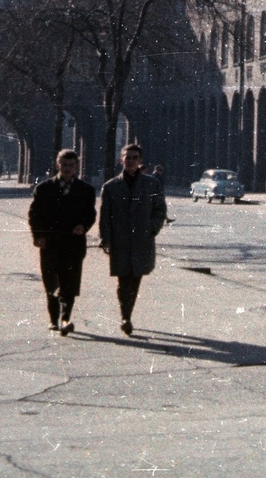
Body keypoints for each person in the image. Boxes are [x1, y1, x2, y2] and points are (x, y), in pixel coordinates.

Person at [98, 143, 166, 336]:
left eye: (135, 158)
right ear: (121, 160)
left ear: (140, 161)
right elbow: (105, 216)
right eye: (127, 157)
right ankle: (125, 316)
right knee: (122, 280)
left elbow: (160, 210)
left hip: (141, 240)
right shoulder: (111, 187)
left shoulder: (151, 184)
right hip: (120, 241)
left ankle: (127, 314)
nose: (130, 161)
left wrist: (152, 229)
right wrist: (106, 239)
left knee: (135, 278)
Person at [28, 149, 96, 335]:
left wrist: (83, 226)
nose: (67, 169)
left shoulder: (86, 190)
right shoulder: (44, 189)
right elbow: (35, 215)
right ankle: (53, 320)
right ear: (58, 165)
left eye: (71, 165)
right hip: (50, 244)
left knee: (70, 284)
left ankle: (66, 318)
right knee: (51, 283)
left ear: (76, 167)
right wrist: (38, 236)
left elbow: (90, 213)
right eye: (64, 165)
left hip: (73, 244)